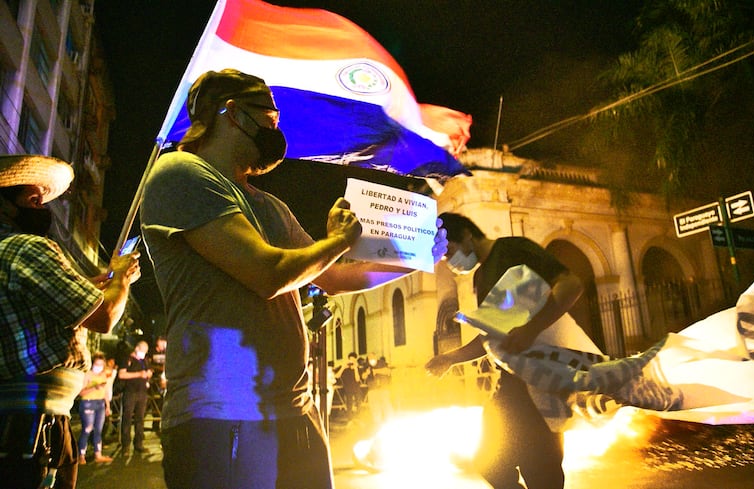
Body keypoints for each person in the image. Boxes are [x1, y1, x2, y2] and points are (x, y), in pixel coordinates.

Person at [139, 68, 448, 489]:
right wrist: (339, 240)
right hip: (223, 413)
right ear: (232, 114)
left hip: (294, 409)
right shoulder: (180, 174)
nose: (276, 132)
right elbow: (269, 273)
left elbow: (334, 276)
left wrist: (411, 259)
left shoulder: (269, 206)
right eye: (269, 120)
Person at [0, 154, 140, 489]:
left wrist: (94, 283)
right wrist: (120, 279)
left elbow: (46, 299)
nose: (40, 201)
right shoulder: (26, 248)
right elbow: (104, 317)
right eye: (29, 195)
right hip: (33, 423)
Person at [425, 212, 584, 489]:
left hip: (538, 382)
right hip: (510, 384)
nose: (449, 263)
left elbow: (571, 285)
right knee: (490, 461)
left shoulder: (513, 249)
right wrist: (451, 358)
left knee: (541, 470)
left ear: (466, 235)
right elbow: (493, 335)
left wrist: (532, 328)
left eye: (449, 253)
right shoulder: (482, 275)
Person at [117, 340, 152, 456]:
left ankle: (139, 444)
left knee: (140, 419)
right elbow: (121, 374)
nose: (143, 353)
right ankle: (125, 446)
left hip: (142, 392)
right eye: (142, 351)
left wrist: (148, 374)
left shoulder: (144, 361)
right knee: (127, 419)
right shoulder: (127, 359)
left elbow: (147, 371)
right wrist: (139, 374)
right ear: (136, 348)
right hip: (130, 392)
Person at [77, 352, 113, 464]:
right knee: (87, 429)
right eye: (97, 364)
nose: (99, 367)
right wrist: (94, 387)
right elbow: (80, 392)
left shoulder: (103, 375)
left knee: (98, 430)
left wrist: (108, 406)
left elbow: (105, 392)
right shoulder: (87, 374)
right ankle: (81, 455)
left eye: (101, 365)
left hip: (100, 404)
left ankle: (98, 454)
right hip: (88, 402)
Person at [362, 353, 394, 426]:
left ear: (375, 357)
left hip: (383, 388)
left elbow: (388, 371)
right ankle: (377, 423)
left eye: (372, 358)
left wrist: (376, 371)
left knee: (386, 405)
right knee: (374, 407)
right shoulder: (366, 365)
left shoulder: (382, 363)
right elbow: (363, 376)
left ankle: (390, 422)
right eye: (369, 358)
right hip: (372, 389)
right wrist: (367, 373)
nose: (371, 360)